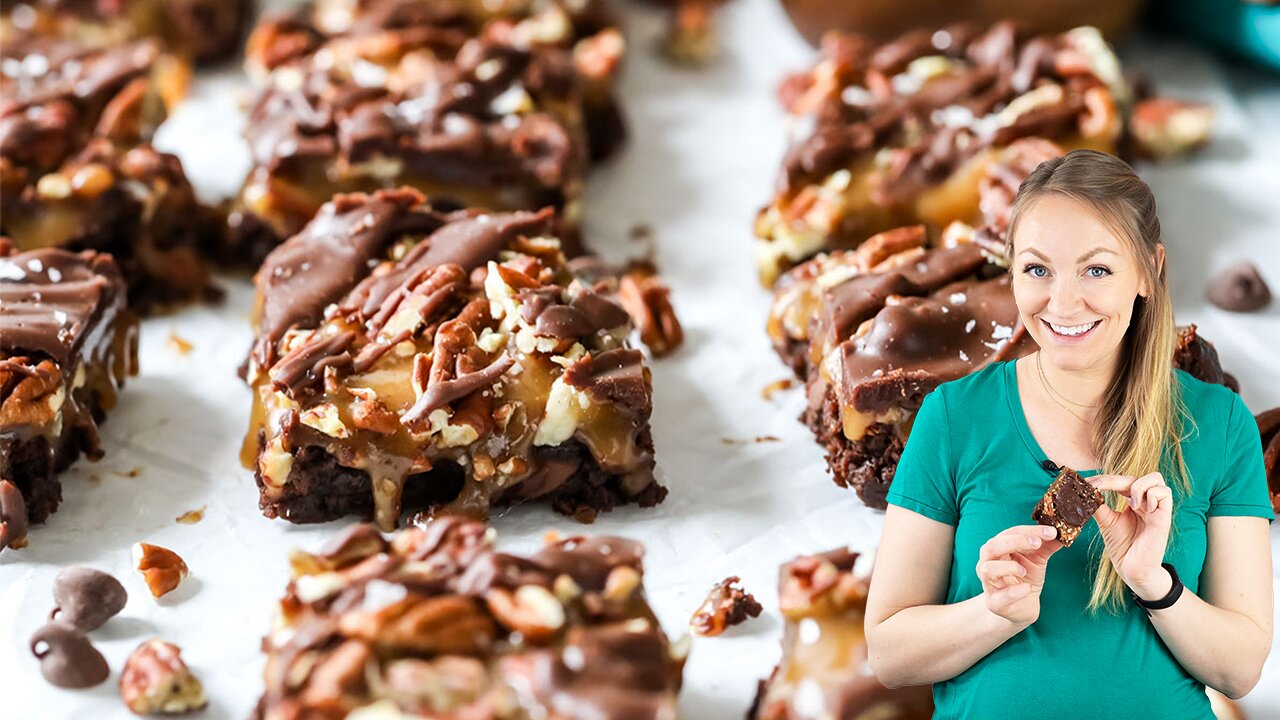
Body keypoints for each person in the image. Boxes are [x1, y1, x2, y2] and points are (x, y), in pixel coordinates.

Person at [863, 149, 1274, 718]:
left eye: (1096, 269)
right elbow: (889, 653)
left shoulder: (1220, 423)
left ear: (1148, 272)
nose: (1062, 301)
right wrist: (996, 611)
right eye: (1037, 269)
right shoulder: (954, 414)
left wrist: (1154, 582)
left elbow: (1241, 668)